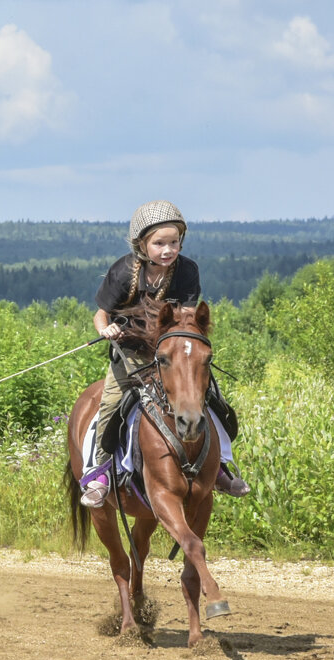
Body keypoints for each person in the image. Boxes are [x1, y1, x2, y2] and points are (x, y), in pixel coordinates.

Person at [80, 200, 249, 508]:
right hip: (130, 354)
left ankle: (221, 467)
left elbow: (185, 316)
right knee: (110, 404)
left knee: (212, 399)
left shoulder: (187, 270)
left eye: (174, 242)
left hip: (170, 353)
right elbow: (100, 315)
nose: (168, 250)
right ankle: (98, 473)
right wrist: (106, 330)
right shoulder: (122, 272)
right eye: (160, 243)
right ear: (143, 245)